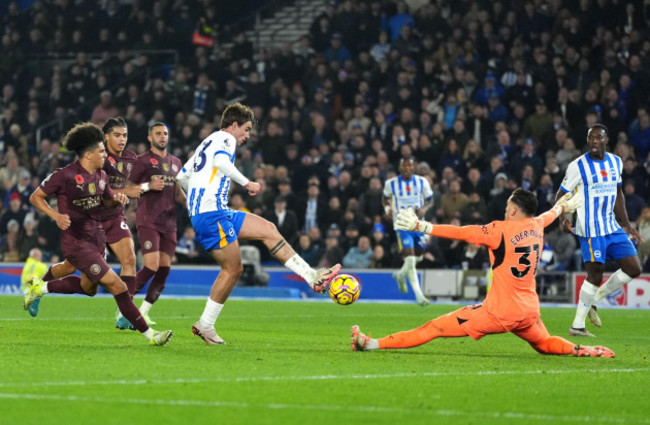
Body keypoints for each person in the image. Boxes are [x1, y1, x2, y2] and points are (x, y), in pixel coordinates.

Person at [351, 188, 615, 358]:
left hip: (499, 313)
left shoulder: (498, 229)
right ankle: (583, 350)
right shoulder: (537, 225)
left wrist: (421, 226)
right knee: (544, 343)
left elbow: (462, 232)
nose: (504, 209)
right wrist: (563, 206)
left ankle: (371, 344)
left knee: (434, 327)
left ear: (513, 209)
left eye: (507, 205)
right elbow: (550, 214)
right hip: (529, 311)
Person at [176, 102, 341, 345]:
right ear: (233, 125)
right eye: (246, 129)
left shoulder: (207, 141)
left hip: (215, 211)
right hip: (212, 214)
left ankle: (311, 275)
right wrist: (247, 183)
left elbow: (181, 176)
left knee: (268, 230)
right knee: (233, 269)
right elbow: (222, 163)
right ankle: (205, 325)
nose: (247, 136)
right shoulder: (225, 138)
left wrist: (194, 204)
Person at [23, 122, 172, 346]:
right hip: (76, 241)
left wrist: (118, 199)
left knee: (88, 289)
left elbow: (107, 199)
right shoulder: (64, 175)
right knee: (118, 285)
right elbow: (35, 197)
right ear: (89, 154)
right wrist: (56, 216)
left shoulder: (101, 175)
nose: (106, 154)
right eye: (102, 151)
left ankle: (40, 287)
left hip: (97, 237)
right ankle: (150, 335)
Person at [557, 124, 643, 337]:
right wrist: (564, 217)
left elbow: (618, 193)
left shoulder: (616, 162)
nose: (594, 141)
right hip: (589, 229)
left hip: (611, 226)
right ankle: (577, 326)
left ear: (606, 140)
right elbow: (561, 194)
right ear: (588, 141)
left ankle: (594, 300)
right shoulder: (577, 166)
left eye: (598, 138)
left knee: (634, 268)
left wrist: (626, 224)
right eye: (591, 138)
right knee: (595, 274)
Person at [129, 122, 184, 325]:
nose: (163, 137)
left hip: (169, 223)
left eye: (165, 133)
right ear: (150, 137)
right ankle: (124, 307)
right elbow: (127, 187)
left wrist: (194, 207)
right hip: (148, 220)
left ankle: (143, 312)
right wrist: (147, 185)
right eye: (158, 133)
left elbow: (177, 192)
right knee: (151, 266)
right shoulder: (142, 161)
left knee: (164, 269)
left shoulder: (176, 163)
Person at [383, 157, 433, 305]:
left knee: (418, 258)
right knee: (410, 259)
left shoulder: (422, 182)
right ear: (400, 168)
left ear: (414, 167)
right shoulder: (390, 184)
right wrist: (387, 209)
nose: (406, 169)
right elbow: (385, 198)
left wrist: (424, 209)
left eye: (409, 166)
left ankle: (400, 275)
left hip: (418, 224)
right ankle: (419, 295)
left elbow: (430, 199)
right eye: (403, 166)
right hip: (401, 224)